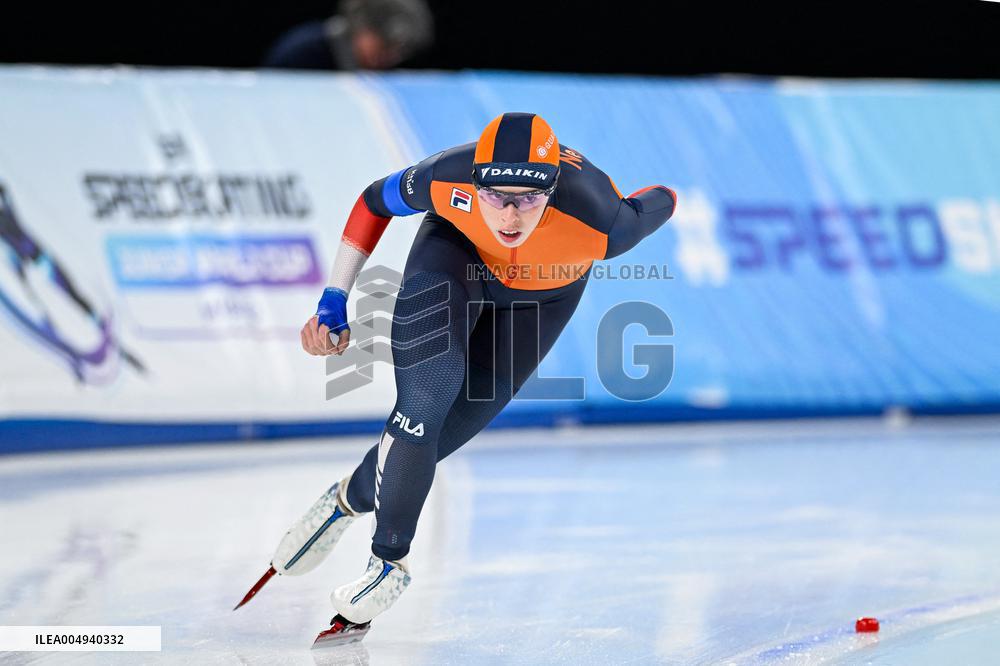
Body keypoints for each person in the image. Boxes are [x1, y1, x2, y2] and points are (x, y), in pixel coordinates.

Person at [236, 112, 677, 645]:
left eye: (528, 200)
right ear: (476, 182)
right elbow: (373, 202)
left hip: (539, 301)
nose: (510, 215)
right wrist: (334, 296)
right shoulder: (447, 175)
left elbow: (659, 197)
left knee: (439, 437)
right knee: (426, 398)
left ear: (554, 189)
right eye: (496, 196)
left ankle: (345, 501)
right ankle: (387, 563)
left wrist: (664, 196)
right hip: (452, 261)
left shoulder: (604, 222)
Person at [262, 0, 434, 71]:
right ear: (362, 28)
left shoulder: (379, 71)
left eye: (399, 52)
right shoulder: (303, 53)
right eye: (384, 45)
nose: (390, 58)